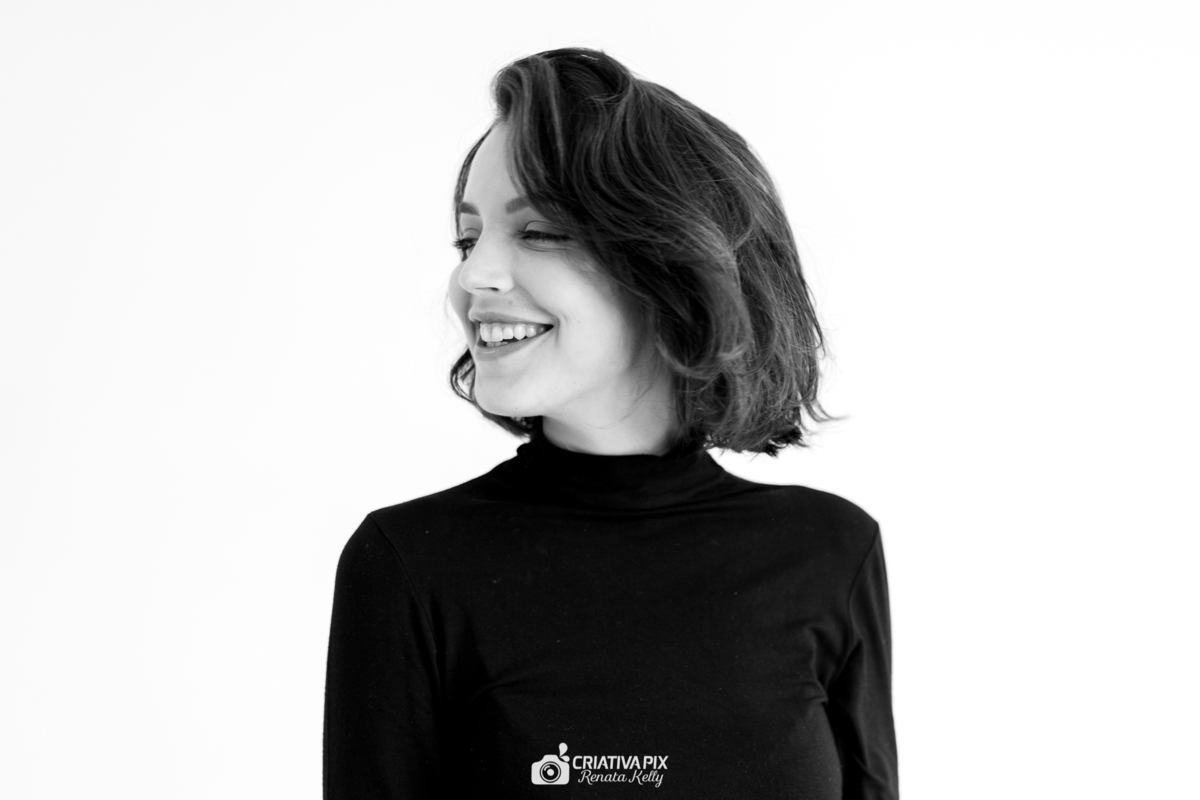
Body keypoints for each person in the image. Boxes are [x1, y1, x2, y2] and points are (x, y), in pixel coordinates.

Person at [323, 47, 898, 799]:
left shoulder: (830, 552)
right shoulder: (409, 565)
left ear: (671, 262)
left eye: (538, 231)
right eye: (468, 240)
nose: (472, 275)